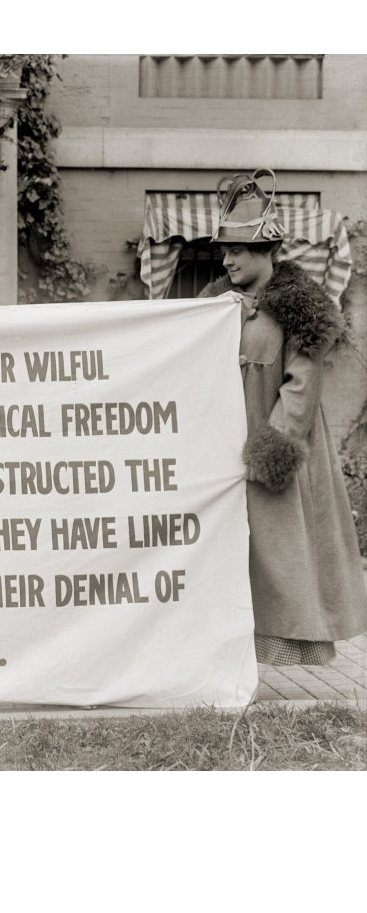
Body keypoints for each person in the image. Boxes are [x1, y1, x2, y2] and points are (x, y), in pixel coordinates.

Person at [200, 168, 367, 665]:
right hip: (222, 457)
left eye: (238, 250)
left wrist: (270, 452)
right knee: (226, 559)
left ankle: (280, 657)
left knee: (281, 560)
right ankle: (226, 659)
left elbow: (301, 390)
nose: (228, 259)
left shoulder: (301, 310)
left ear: (266, 253)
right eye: (224, 250)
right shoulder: (213, 309)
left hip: (280, 459)